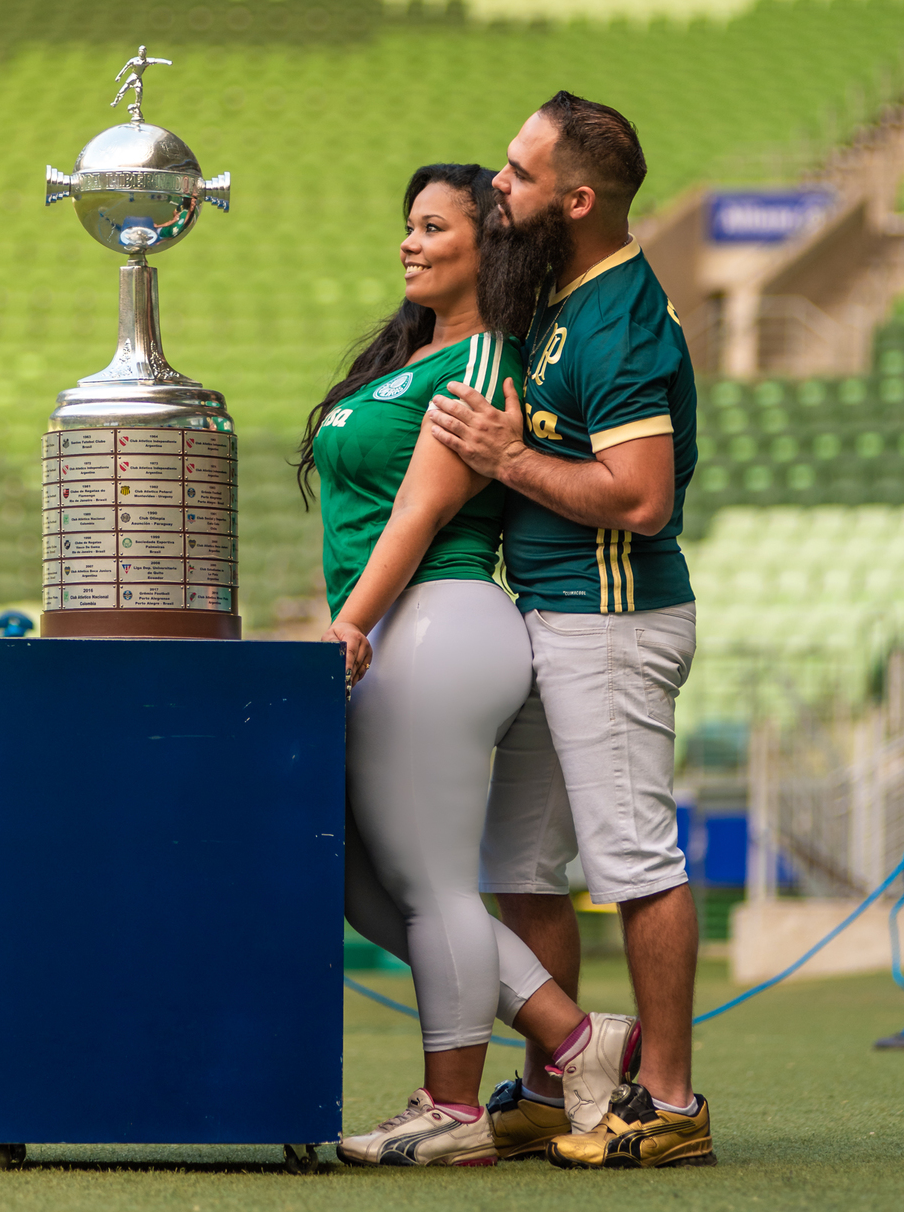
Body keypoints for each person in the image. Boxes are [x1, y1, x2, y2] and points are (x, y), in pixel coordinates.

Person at [301, 162, 640, 1169]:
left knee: (433, 883)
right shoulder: (419, 354)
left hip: (439, 620)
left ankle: (451, 1108)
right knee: (367, 888)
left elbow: (421, 511)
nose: (409, 241)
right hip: (404, 628)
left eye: (432, 226)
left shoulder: (487, 358)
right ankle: (579, 1041)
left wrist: (347, 625)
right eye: (407, 225)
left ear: (485, 245)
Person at [427, 91, 713, 1171]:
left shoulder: (621, 319)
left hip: (614, 618)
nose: (497, 186)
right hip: (552, 614)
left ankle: (671, 1100)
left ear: (577, 199)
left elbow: (640, 497)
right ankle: (561, 1083)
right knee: (521, 864)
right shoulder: (556, 295)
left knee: (635, 859)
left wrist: (505, 459)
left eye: (518, 173)